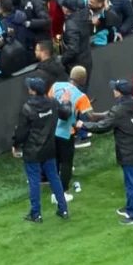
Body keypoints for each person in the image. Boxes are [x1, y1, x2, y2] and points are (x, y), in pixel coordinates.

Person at [77, 79, 133, 225]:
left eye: (115, 88)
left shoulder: (120, 110)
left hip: (128, 152)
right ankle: (130, 207)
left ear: (120, 92)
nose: (113, 90)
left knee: (131, 183)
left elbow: (102, 127)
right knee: (132, 181)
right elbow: (114, 116)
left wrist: (84, 125)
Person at [12, 76, 71, 223]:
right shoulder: (52, 102)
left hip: (32, 151)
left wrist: (15, 144)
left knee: (34, 181)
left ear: (32, 91)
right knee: (54, 178)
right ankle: (63, 209)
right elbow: (66, 113)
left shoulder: (27, 108)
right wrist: (66, 100)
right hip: (49, 148)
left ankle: (36, 214)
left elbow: (21, 132)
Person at [49, 65, 90, 198]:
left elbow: (49, 103)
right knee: (66, 163)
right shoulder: (81, 96)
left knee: (54, 160)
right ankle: (62, 192)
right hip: (67, 133)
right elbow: (90, 116)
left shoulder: (55, 86)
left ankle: (54, 190)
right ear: (83, 80)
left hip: (51, 130)